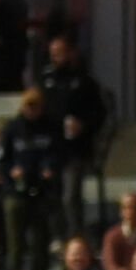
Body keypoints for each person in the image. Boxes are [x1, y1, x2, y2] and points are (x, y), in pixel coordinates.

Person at [0, 88, 65, 270]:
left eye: (35, 106)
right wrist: (11, 172)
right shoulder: (12, 128)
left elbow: (59, 154)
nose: (31, 110)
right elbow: (2, 158)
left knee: (40, 239)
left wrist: (50, 168)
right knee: (15, 241)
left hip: (41, 192)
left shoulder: (51, 127)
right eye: (28, 106)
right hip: (16, 192)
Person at [39, 35, 106, 234]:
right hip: (51, 149)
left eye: (60, 53)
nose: (56, 57)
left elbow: (100, 114)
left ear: (70, 53)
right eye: (53, 54)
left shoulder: (85, 82)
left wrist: (83, 125)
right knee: (50, 193)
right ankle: (56, 239)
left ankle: (76, 238)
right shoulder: (45, 81)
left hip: (76, 150)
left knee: (70, 196)